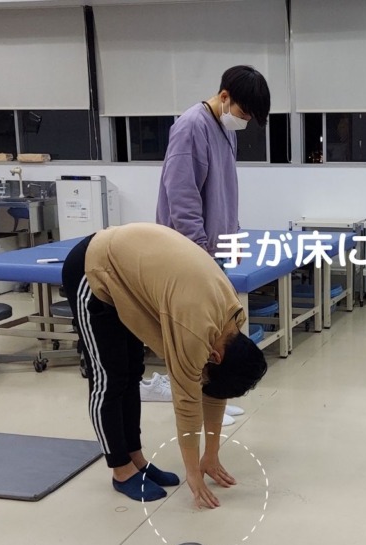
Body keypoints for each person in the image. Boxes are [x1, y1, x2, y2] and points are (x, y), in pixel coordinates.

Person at [62, 222, 268, 509]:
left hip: (130, 277)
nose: (203, 380)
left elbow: (215, 392)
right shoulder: (197, 333)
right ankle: (121, 470)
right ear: (215, 357)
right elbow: (187, 405)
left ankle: (136, 459)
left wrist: (211, 454)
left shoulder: (233, 321)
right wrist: (192, 473)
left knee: (132, 372)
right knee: (108, 378)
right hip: (94, 268)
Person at [155, 65, 270, 417]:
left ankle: (214, 397)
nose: (244, 121)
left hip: (213, 252)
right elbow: (182, 197)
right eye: (244, 113)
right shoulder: (191, 126)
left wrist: (233, 240)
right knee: (193, 336)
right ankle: (192, 400)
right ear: (224, 96)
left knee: (218, 335)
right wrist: (199, 254)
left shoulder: (225, 130)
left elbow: (225, 193)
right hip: (191, 254)